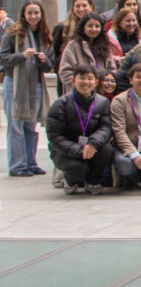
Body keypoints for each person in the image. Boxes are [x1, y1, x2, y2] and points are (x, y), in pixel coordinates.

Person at [46, 65, 115, 194]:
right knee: (78, 167)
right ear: (73, 81)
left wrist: (93, 144)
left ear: (95, 82)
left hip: (91, 146)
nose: (86, 82)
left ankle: (92, 182)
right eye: (81, 78)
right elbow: (54, 136)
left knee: (107, 150)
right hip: (65, 150)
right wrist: (79, 150)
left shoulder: (102, 102)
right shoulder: (61, 104)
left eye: (90, 78)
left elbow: (105, 127)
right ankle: (70, 181)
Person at [59, 13, 118, 94]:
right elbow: (65, 71)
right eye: (90, 26)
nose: (94, 29)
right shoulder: (73, 45)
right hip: (78, 93)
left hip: (101, 93)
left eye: (97, 26)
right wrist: (81, 85)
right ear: (83, 27)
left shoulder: (106, 46)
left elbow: (112, 70)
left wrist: (106, 84)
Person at [51, 0, 95, 76]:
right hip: (69, 72)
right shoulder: (63, 28)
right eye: (77, 6)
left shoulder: (97, 27)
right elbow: (56, 52)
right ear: (73, 8)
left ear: (91, 7)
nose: (81, 9)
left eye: (84, 5)